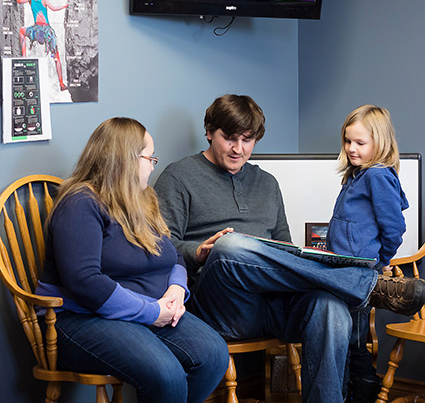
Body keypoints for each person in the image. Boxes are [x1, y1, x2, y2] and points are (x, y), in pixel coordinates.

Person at [154, 94, 425, 403]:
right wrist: (198, 251)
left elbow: (283, 245)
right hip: (225, 305)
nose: (238, 149)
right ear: (209, 132)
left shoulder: (267, 183)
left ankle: (353, 289)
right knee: (230, 244)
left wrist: (292, 251)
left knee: (330, 306)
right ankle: (364, 284)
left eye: (247, 140)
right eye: (229, 138)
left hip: (275, 305)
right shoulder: (179, 176)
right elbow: (161, 249)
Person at [35, 117, 229, 403]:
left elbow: (172, 253)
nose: (153, 165)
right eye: (150, 157)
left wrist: (177, 290)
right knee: (166, 374)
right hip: (80, 318)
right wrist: (151, 312)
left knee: (213, 354)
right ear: (125, 160)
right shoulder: (80, 204)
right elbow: (85, 282)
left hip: (147, 309)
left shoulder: (144, 199)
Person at [327, 105, 408, 403]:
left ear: (380, 143)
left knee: (354, 334)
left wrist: (382, 261)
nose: (351, 148)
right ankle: (351, 385)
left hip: (360, 272)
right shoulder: (356, 175)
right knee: (343, 331)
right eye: (348, 141)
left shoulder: (377, 176)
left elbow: (394, 226)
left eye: (360, 143)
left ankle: (362, 387)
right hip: (341, 269)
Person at [14, 0, 69, 91]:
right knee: (56, 57)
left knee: (22, 31)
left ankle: (24, 58)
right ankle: (61, 84)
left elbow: (18, 0)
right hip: (46, 32)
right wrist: (65, 6)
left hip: (36, 31)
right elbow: (53, 8)